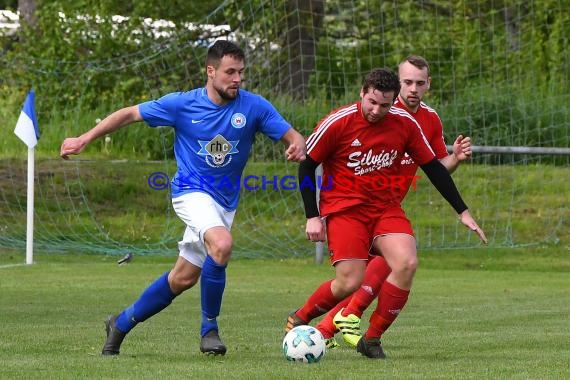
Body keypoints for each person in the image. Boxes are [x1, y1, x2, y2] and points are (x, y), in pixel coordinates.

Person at [60, 40, 307, 356]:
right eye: (230, 72)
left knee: (183, 278)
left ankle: (119, 323)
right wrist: (85, 138)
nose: (237, 79)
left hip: (224, 203)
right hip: (190, 192)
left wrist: (296, 144)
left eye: (241, 73)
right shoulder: (182, 104)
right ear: (210, 70)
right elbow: (129, 114)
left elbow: (292, 134)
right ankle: (209, 331)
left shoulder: (253, 106)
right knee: (222, 244)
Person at [285, 67, 486, 359]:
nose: (377, 110)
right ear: (362, 94)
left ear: (394, 101)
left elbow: (432, 167)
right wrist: (312, 215)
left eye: (385, 104)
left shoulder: (404, 123)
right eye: (372, 102)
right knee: (349, 282)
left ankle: (373, 338)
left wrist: (463, 211)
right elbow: (306, 166)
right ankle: (302, 316)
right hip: (345, 210)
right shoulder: (338, 122)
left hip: (385, 209)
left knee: (406, 262)